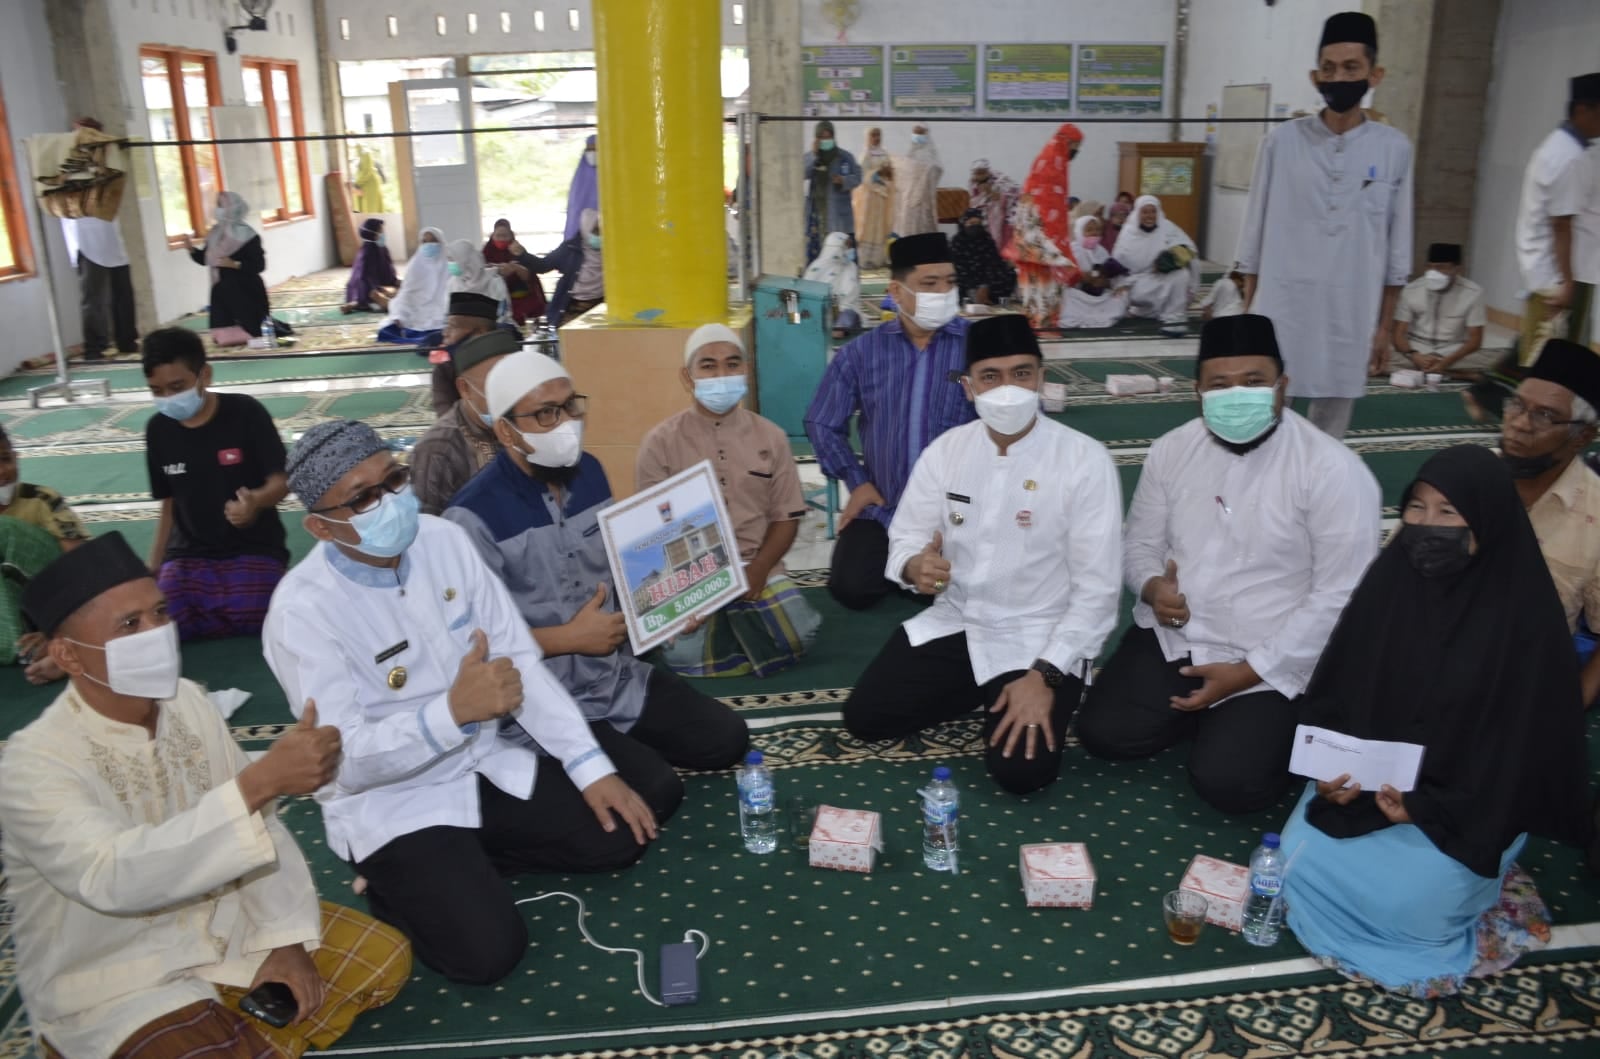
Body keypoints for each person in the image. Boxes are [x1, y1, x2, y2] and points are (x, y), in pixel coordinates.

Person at [263, 420, 674, 985]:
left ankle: (467, 864)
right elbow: (342, 762)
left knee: (623, 833)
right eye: (362, 498)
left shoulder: (442, 540)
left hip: (480, 762)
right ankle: (392, 879)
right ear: (321, 526)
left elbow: (518, 661)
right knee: (487, 955)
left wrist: (590, 769)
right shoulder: (302, 612)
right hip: (392, 801)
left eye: (394, 480)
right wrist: (450, 715)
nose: (389, 502)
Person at [2, 532, 410, 1058]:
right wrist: (261, 781)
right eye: (130, 625)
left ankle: (232, 1029)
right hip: (117, 977)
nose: (156, 633)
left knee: (383, 960)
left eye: (160, 613)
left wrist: (282, 941)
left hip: (222, 928)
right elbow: (114, 877)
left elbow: (264, 828)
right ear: (67, 655)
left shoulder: (187, 703)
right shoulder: (34, 763)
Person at [1278, 446, 1592, 996]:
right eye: (1417, 508)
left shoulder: (1526, 619)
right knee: (1298, 861)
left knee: (1408, 907)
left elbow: (1521, 758)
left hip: (1468, 807)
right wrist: (1334, 770)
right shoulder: (1392, 582)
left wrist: (1423, 808)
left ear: (1488, 519)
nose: (1426, 526)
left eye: (1448, 512)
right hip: (1371, 789)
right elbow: (1343, 688)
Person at [1075, 314, 1380, 814]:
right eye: (1220, 384)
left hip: (1273, 654)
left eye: (1254, 382)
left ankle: (1252, 719)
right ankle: (1216, 719)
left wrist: (1249, 672)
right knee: (1105, 735)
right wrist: (1152, 588)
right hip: (1178, 639)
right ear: (1198, 391)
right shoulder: (1172, 450)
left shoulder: (1333, 471)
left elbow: (1340, 596)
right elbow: (1138, 546)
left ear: (1283, 386)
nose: (1237, 394)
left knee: (1230, 785)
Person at [842, 315, 1122, 795]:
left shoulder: (1084, 460)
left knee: (1021, 773)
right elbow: (905, 537)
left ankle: (1029, 687)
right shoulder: (946, 451)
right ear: (969, 388)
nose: (1008, 388)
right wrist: (912, 566)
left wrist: (1046, 675)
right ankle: (986, 687)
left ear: (1041, 378)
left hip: (1042, 635)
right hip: (961, 620)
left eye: (1022, 373)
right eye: (991, 376)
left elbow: (1098, 592)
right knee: (867, 717)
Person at [445, 350, 751, 768]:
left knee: (726, 740)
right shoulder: (472, 518)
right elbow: (470, 646)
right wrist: (568, 639)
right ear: (506, 431)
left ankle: (614, 753)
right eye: (546, 414)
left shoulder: (589, 472)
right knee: (654, 792)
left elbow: (620, 573)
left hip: (613, 676)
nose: (568, 422)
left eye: (571, 405)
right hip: (535, 699)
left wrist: (667, 606)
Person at [1237, 11, 1413, 439]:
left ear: (1375, 74)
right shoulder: (1281, 142)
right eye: (1329, 68)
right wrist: (1247, 316)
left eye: (1351, 67)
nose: (1339, 77)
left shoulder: (1394, 149)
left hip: (1351, 310)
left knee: (1331, 428)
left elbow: (1396, 250)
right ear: (1315, 76)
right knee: (1268, 413)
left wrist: (1384, 328)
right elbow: (1252, 238)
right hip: (1282, 305)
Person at [637, 325, 822, 677]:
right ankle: (744, 639)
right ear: (687, 377)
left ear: (746, 370)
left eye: (731, 364)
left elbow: (786, 517)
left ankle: (730, 638)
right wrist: (698, 589)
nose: (721, 375)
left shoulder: (772, 437)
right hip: (688, 575)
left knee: (802, 631)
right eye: (708, 366)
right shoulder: (659, 443)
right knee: (683, 656)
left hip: (755, 565)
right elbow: (650, 531)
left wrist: (758, 570)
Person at [804, 232, 974, 611]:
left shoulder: (978, 347)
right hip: (885, 506)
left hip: (960, 511)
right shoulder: (862, 353)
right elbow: (821, 421)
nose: (943, 292)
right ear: (896, 292)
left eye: (950, 282)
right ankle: (909, 569)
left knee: (974, 591)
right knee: (851, 588)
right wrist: (856, 481)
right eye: (929, 284)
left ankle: (916, 572)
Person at [141, 328, 289, 641]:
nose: (168, 398)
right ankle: (212, 611)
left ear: (204, 375)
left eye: (177, 387)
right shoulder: (157, 430)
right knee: (157, 622)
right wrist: (154, 566)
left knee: (260, 612)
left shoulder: (245, 413)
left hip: (251, 548)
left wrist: (256, 502)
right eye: (157, 390)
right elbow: (168, 503)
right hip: (188, 555)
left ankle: (211, 613)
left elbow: (282, 481)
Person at [1502, 339, 1600, 707]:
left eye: (1544, 415)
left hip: (1524, 686)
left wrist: (1575, 704)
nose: (1519, 424)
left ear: (1583, 436)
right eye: (1516, 405)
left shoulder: (1597, 514)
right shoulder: (1462, 480)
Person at [1514, 72, 1600, 363]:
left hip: (1568, 268)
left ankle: (1487, 396)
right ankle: (1510, 404)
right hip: (1560, 271)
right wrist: (1566, 282)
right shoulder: (1568, 157)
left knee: (1551, 348)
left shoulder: (1568, 148)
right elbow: (1561, 225)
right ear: (1581, 110)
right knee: (1548, 357)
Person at [1, 423, 89, 678]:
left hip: (53, 602)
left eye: (5, 459)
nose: (2, 471)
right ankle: (18, 643)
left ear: (16, 456)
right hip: (10, 609)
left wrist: (58, 628)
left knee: (3, 529)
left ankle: (56, 637)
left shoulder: (41, 499)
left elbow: (80, 566)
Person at [413, 328, 517, 515]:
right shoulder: (437, 449)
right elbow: (427, 528)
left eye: (514, 381)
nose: (508, 394)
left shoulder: (528, 421)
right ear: (465, 389)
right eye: (495, 383)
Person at [61, 119, 136, 361]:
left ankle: (127, 340)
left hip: (111, 236)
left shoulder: (108, 159)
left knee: (122, 293)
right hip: (85, 239)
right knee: (93, 298)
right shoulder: (66, 161)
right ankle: (95, 347)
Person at [183, 192, 292, 347]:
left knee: (253, 329)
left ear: (232, 208)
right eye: (218, 206)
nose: (218, 209)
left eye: (221, 206)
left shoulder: (247, 235)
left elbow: (259, 265)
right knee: (222, 335)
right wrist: (191, 249)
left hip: (245, 288)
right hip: (221, 288)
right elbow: (206, 260)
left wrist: (235, 264)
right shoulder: (215, 233)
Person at [1007, 123, 1085, 327]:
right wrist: (1052, 237)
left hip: (1035, 230)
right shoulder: (1052, 161)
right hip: (1040, 230)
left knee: (1041, 280)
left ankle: (1039, 322)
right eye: (1075, 145)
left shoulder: (1051, 158)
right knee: (1043, 279)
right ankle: (1042, 322)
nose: (1076, 151)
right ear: (1067, 141)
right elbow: (1046, 202)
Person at [1389, 243, 1492, 377]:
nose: (1433, 272)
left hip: (1454, 350)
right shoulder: (1411, 290)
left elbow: (1475, 340)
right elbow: (1398, 334)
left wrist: (1446, 362)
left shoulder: (1473, 293)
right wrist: (1414, 355)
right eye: (1429, 267)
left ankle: (1437, 370)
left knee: (1497, 361)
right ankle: (1455, 374)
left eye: (1440, 267)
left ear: (1457, 269)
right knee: (1380, 356)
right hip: (1417, 347)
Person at [1113, 195, 1198, 338]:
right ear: (1138, 213)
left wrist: (1168, 261)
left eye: (1153, 211)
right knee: (1128, 294)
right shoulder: (1128, 233)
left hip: (1161, 277)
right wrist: (1121, 285)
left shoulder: (1167, 228)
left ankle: (1173, 319)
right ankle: (1145, 310)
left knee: (1181, 274)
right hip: (1135, 282)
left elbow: (1189, 249)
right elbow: (1117, 264)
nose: (1149, 216)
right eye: (1145, 212)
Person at [377, 227, 451, 345]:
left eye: (433, 241)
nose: (428, 245)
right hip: (416, 303)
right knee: (400, 302)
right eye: (424, 241)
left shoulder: (448, 264)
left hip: (440, 303)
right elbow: (406, 291)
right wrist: (399, 313)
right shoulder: (415, 263)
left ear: (440, 242)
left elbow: (452, 289)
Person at [803, 121, 861, 264]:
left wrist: (844, 180)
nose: (825, 140)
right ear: (816, 139)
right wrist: (815, 156)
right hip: (817, 213)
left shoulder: (845, 157)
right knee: (818, 257)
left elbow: (858, 178)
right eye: (822, 137)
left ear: (834, 137)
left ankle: (843, 285)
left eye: (828, 137)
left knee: (842, 254)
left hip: (839, 215)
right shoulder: (811, 157)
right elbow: (802, 173)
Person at [1059, 215, 1128, 330]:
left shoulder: (1102, 251)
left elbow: (1112, 278)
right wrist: (1083, 277)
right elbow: (1064, 279)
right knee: (1065, 296)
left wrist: (1105, 282)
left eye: (1097, 230)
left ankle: (1100, 314)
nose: (1094, 233)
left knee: (1122, 295)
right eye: (1089, 230)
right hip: (1079, 294)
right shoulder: (1072, 250)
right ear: (1080, 231)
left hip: (1099, 296)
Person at [483, 218, 547, 326]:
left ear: (511, 236)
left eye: (505, 236)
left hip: (520, 300)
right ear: (492, 236)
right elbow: (481, 273)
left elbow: (530, 276)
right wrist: (496, 269)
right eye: (498, 236)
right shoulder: (486, 252)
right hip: (495, 300)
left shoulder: (517, 250)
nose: (501, 239)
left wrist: (515, 268)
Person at [951, 208, 1017, 307]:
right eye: (971, 223)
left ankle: (992, 299)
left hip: (987, 280)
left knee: (1009, 272)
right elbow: (958, 268)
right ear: (963, 224)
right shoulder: (957, 242)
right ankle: (971, 298)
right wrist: (973, 287)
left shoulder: (987, 239)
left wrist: (984, 285)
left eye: (978, 223)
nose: (975, 226)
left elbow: (993, 263)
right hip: (966, 281)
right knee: (954, 279)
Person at [804, 231, 864, 335]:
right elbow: (806, 292)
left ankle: (838, 329)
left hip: (844, 310)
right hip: (819, 310)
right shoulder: (816, 267)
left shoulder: (851, 267)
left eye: (850, 245)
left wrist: (840, 308)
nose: (849, 249)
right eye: (846, 245)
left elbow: (852, 295)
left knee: (847, 319)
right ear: (836, 247)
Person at [853, 127, 895, 269]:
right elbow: (863, 176)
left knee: (879, 229)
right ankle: (865, 260)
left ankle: (878, 260)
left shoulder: (885, 154)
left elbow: (891, 174)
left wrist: (889, 174)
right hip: (868, 199)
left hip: (882, 199)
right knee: (866, 229)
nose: (876, 138)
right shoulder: (865, 155)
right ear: (868, 137)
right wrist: (878, 172)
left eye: (878, 135)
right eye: (873, 135)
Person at [343, 218, 399, 314]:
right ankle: (357, 303)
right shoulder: (368, 252)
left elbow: (388, 272)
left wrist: (394, 282)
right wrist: (376, 292)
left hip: (379, 285)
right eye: (381, 232)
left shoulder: (382, 249)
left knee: (403, 288)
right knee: (393, 302)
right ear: (374, 234)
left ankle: (358, 303)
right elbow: (363, 278)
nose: (383, 235)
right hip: (365, 290)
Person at [894, 125, 942, 238]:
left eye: (920, 133)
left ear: (926, 134)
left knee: (923, 229)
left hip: (924, 201)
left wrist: (925, 171)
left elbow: (937, 170)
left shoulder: (931, 153)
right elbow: (903, 173)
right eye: (915, 133)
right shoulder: (910, 152)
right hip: (908, 200)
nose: (917, 136)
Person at [446, 238, 510, 316]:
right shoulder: (452, 283)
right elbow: (447, 312)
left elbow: (503, 314)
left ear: (466, 260)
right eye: (449, 260)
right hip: (460, 327)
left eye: (453, 260)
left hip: (489, 327)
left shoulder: (493, 281)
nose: (450, 264)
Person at [968, 158, 1019, 251]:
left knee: (999, 231)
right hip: (990, 209)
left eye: (982, 172)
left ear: (988, 171)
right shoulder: (973, 181)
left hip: (1007, 210)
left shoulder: (999, 180)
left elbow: (1002, 198)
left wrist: (989, 191)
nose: (978, 176)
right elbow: (974, 201)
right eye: (976, 173)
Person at [565, 134, 599, 241]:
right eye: (589, 149)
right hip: (580, 238)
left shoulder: (612, 176)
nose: (592, 153)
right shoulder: (580, 179)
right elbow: (574, 211)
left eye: (595, 149)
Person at [353, 144, 386, 213]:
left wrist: (357, 184)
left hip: (369, 185)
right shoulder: (359, 153)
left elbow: (367, 170)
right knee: (367, 211)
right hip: (365, 184)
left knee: (371, 210)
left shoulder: (365, 152)